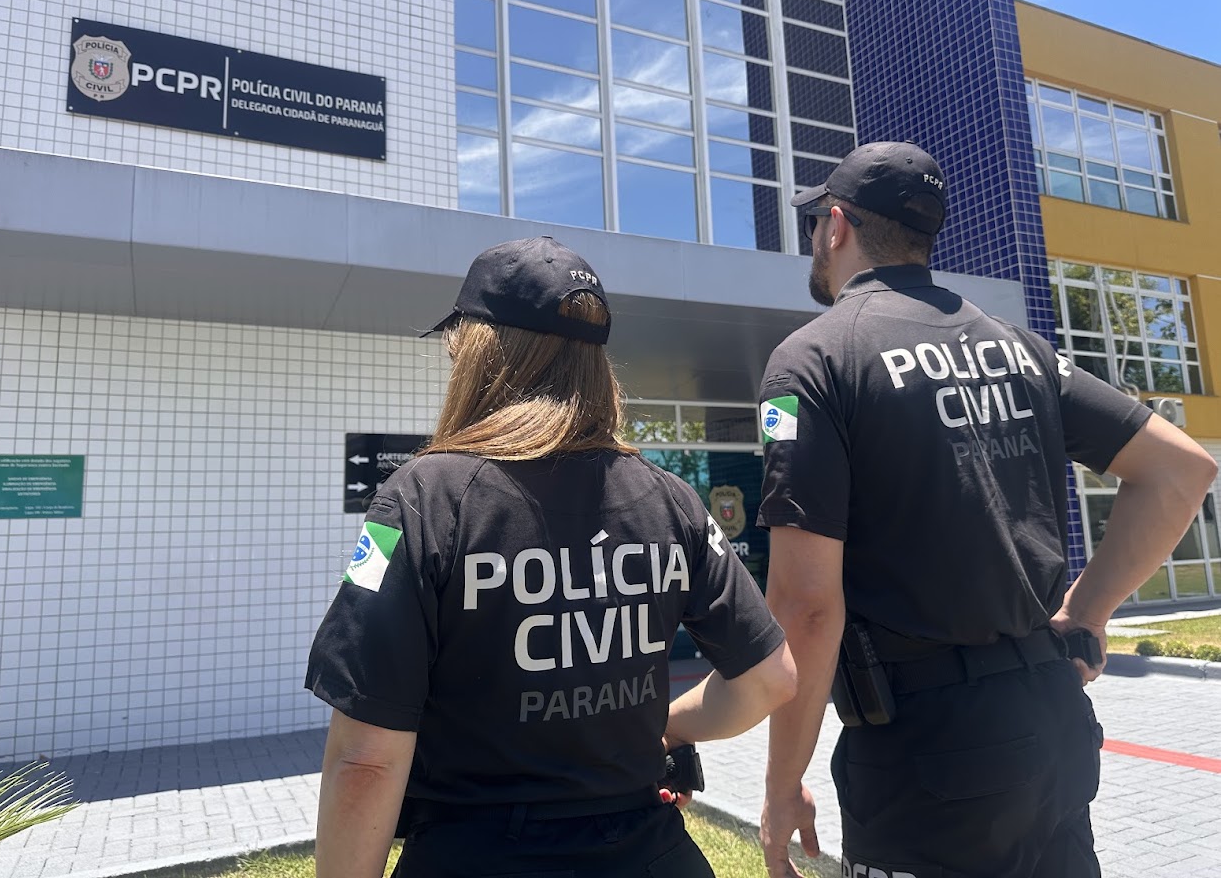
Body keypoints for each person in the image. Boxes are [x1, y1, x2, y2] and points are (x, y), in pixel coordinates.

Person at [754, 142, 1217, 878]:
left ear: (837, 226)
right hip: (1053, 725)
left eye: (816, 222)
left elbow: (806, 607)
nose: (814, 237)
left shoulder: (810, 362)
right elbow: (1182, 469)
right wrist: (1086, 613)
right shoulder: (1021, 349)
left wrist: (782, 786)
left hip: (929, 757)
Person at [306, 235, 796, 878]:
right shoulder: (671, 499)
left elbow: (366, 760)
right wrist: (668, 728)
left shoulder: (424, 499)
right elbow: (770, 678)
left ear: (475, 349)